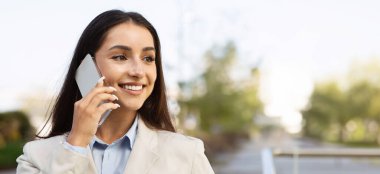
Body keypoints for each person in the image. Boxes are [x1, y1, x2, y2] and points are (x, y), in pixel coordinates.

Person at [16, 9, 214, 174]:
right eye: (120, 57)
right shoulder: (36, 158)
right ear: (87, 66)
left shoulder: (187, 154)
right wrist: (76, 144)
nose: (138, 71)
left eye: (148, 59)